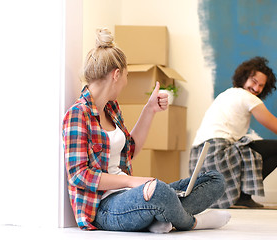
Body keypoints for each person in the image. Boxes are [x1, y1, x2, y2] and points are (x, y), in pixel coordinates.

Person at [62, 28, 231, 232]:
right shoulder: (77, 114)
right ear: (116, 75)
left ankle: (160, 218)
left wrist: (150, 109)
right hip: (104, 208)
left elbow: (130, 151)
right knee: (159, 191)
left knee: (215, 180)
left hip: (130, 195)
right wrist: (132, 182)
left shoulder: (111, 108)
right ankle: (193, 222)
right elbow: (79, 175)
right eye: (126, 76)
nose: (126, 82)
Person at [189, 56, 277, 209]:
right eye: (254, 81)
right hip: (217, 154)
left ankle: (238, 196)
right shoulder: (247, 97)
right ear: (244, 78)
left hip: (198, 160)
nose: (256, 88)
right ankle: (242, 196)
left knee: (246, 147)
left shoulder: (226, 94)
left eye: (261, 86)